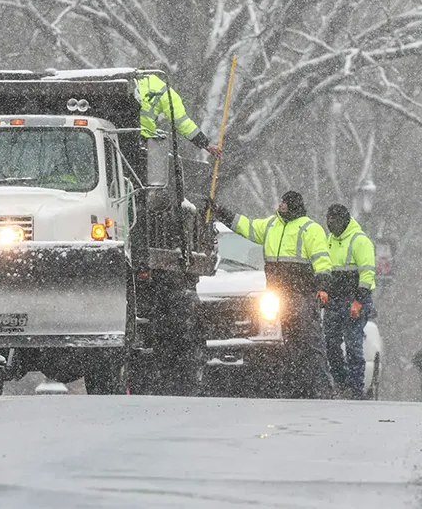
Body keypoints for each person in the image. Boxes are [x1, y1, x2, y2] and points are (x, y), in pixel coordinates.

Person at [208, 191, 337, 399]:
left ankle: (321, 389)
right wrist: (221, 212)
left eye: (284, 204)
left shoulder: (310, 229)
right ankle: (298, 388)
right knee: (289, 343)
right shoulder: (271, 225)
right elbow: (246, 226)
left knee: (310, 343)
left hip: (301, 295)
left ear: (293, 206)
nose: (280, 206)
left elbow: (322, 261)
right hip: (279, 295)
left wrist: (322, 286)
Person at [323, 204, 376, 399]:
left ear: (344, 221)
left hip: (354, 299)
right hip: (334, 300)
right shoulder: (328, 240)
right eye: (328, 220)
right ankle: (341, 383)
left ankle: (355, 388)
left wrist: (359, 301)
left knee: (354, 344)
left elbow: (367, 273)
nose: (330, 224)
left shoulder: (360, 241)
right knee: (330, 344)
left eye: (334, 220)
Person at [137, 71, 222, 159]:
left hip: (124, 134)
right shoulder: (165, 91)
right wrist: (205, 144)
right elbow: (182, 122)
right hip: (142, 140)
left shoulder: (132, 77)